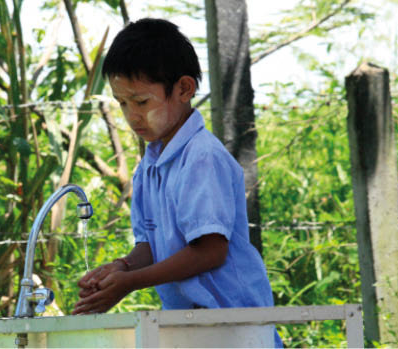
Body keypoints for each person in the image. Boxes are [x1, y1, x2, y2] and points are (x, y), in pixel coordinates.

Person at [73, 18, 282, 347]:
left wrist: (131, 282)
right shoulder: (149, 166)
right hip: (191, 328)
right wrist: (121, 268)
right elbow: (149, 248)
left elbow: (210, 251)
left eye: (142, 102)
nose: (132, 116)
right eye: (122, 104)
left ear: (184, 89)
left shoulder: (201, 157)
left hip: (235, 326)